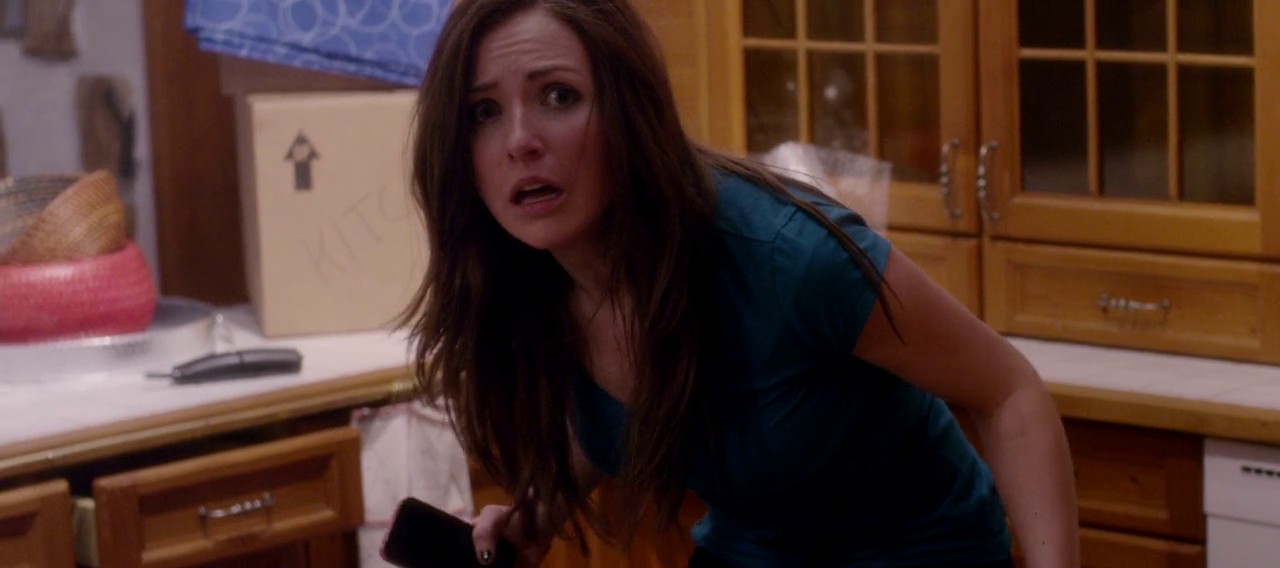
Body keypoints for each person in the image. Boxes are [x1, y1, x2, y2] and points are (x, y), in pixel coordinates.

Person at [402, 0, 1079, 565]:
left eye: (559, 96)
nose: (520, 139)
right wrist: (536, 516)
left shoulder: (790, 258)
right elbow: (619, 413)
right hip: (751, 552)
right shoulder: (528, 277)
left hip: (918, 550)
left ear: (632, 111)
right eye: (483, 111)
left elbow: (1009, 392)